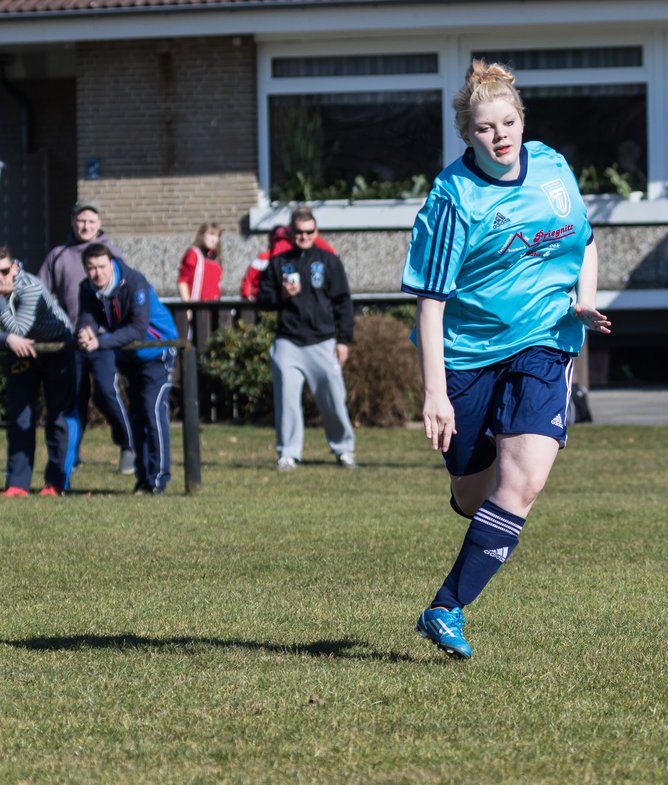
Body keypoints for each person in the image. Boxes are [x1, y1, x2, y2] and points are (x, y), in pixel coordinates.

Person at [401, 62, 611, 659]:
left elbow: (586, 239)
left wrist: (585, 302)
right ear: (468, 134)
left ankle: (445, 608)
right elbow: (432, 304)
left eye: (510, 122)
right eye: (486, 127)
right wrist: (436, 393)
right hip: (467, 356)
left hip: (546, 339)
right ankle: (479, 503)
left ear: (523, 120)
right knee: (476, 498)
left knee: (523, 482)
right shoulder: (452, 199)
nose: (501, 135)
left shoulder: (550, 165)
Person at [255, 206, 356, 471]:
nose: (304, 237)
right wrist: (282, 295)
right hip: (288, 342)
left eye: (309, 232)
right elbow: (262, 300)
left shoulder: (329, 261)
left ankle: (343, 450)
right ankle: (288, 453)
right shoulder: (278, 263)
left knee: (333, 399)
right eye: (299, 232)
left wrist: (343, 340)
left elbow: (343, 303)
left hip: (323, 341)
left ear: (316, 232)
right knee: (287, 400)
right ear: (291, 233)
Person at [0, 246, 79, 497]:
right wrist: (7, 341)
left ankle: (57, 483)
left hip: (57, 347)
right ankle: (18, 485)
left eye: (4, 271)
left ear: (15, 268)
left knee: (57, 418)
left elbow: (18, 328)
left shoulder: (30, 286)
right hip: (20, 350)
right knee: (19, 416)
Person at [39, 201, 135, 475]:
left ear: (99, 223)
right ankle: (73, 456)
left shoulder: (111, 254)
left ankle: (128, 446)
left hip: (104, 339)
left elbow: (127, 290)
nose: (86, 226)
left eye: (91, 221)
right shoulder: (59, 255)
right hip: (71, 339)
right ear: (72, 222)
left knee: (107, 391)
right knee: (74, 398)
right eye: (81, 221)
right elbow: (40, 294)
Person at [76, 243, 179, 494]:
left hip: (157, 351)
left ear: (111, 264)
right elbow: (88, 318)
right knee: (137, 416)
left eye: (102, 266)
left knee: (152, 412)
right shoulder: (86, 289)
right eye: (91, 268)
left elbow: (138, 328)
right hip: (129, 357)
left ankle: (158, 479)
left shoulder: (134, 283)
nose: (97, 273)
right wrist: (84, 333)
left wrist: (99, 342)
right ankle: (143, 478)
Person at [240, 224, 336, 300]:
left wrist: (247, 298)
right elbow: (332, 253)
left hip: (265, 301)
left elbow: (247, 282)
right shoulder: (299, 256)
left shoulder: (263, 257)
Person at [176, 221, 223, 302]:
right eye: (211, 234)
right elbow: (182, 282)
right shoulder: (194, 254)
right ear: (202, 235)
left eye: (217, 236)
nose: (214, 239)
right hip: (198, 307)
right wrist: (188, 307)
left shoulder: (216, 259)